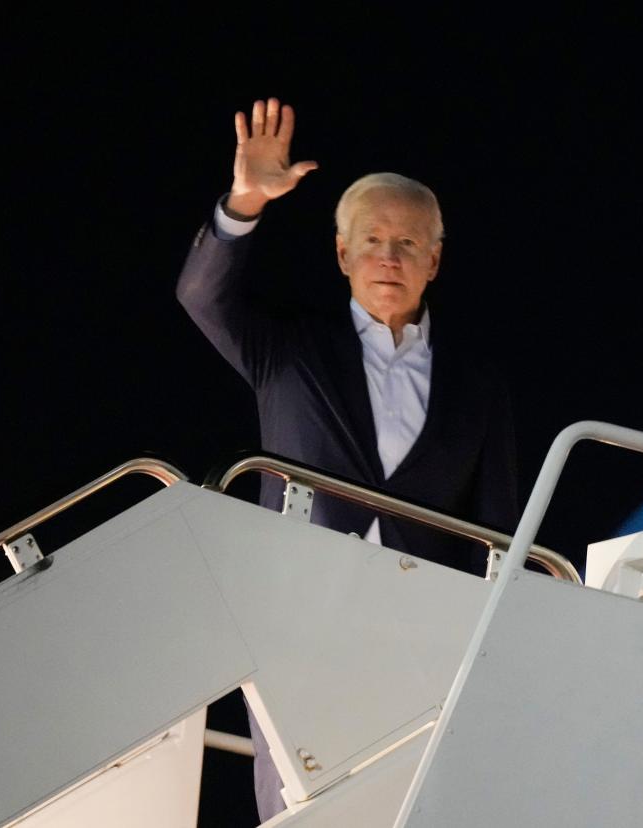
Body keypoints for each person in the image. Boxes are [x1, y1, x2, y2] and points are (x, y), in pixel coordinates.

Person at [176, 97, 519, 820]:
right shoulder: (288, 350)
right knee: (300, 807)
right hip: (299, 624)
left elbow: (499, 529)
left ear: (435, 259)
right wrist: (245, 203)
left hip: (422, 636)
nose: (387, 257)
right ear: (341, 254)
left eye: (406, 243)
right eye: (371, 240)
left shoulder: (480, 383)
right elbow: (201, 295)